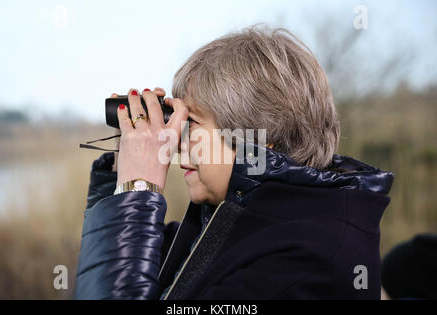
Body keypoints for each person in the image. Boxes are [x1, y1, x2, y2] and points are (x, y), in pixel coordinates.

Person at [75, 24, 394, 300]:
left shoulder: (308, 262)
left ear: (257, 142)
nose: (178, 142)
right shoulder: (224, 226)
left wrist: (139, 188)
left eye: (192, 124)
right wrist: (123, 175)